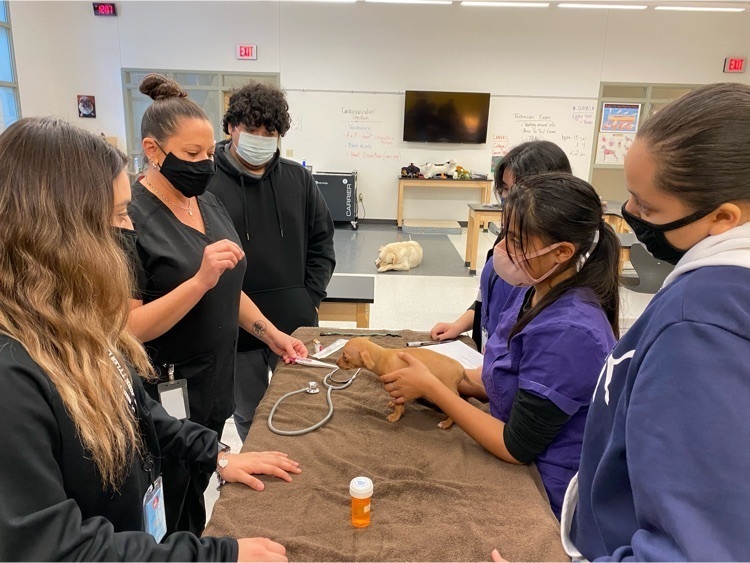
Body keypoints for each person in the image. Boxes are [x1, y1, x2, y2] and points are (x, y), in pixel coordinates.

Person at [0, 117, 299, 561]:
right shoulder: (13, 373)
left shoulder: (76, 330)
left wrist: (215, 456)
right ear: (60, 231)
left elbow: (139, 412)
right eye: (120, 214)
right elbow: (54, 548)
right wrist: (217, 556)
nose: (129, 230)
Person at [561, 83, 750, 561]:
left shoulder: (700, 323)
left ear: (724, 217)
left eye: (646, 208)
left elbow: (698, 548)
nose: (629, 216)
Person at [128, 74, 307, 536]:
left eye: (209, 154)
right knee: (168, 511)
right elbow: (127, 328)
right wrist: (199, 280)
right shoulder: (131, 218)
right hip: (164, 396)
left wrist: (271, 333)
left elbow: (231, 290)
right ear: (153, 150)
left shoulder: (204, 202)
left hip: (212, 385)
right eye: (192, 155)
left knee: (195, 498)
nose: (206, 164)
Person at [381, 173, 620, 518]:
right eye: (503, 233)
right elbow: (509, 378)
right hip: (514, 450)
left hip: (545, 488)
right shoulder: (533, 291)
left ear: (563, 252)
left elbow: (516, 446)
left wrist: (434, 388)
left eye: (517, 240)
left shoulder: (570, 333)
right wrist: (450, 377)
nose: (503, 248)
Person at [207, 81, 336, 442]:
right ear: (232, 127)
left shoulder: (299, 179)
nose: (261, 138)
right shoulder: (207, 184)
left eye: (271, 131)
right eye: (251, 129)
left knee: (301, 406)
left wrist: (309, 296)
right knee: (248, 412)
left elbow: (322, 242)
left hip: (295, 325)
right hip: (236, 329)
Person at [430, 141, 572, 352]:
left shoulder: (546, 264)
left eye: (514, 190)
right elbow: (485, 298)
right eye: (504, 189)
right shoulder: (506, 240)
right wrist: (459, 325)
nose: (506, 198)